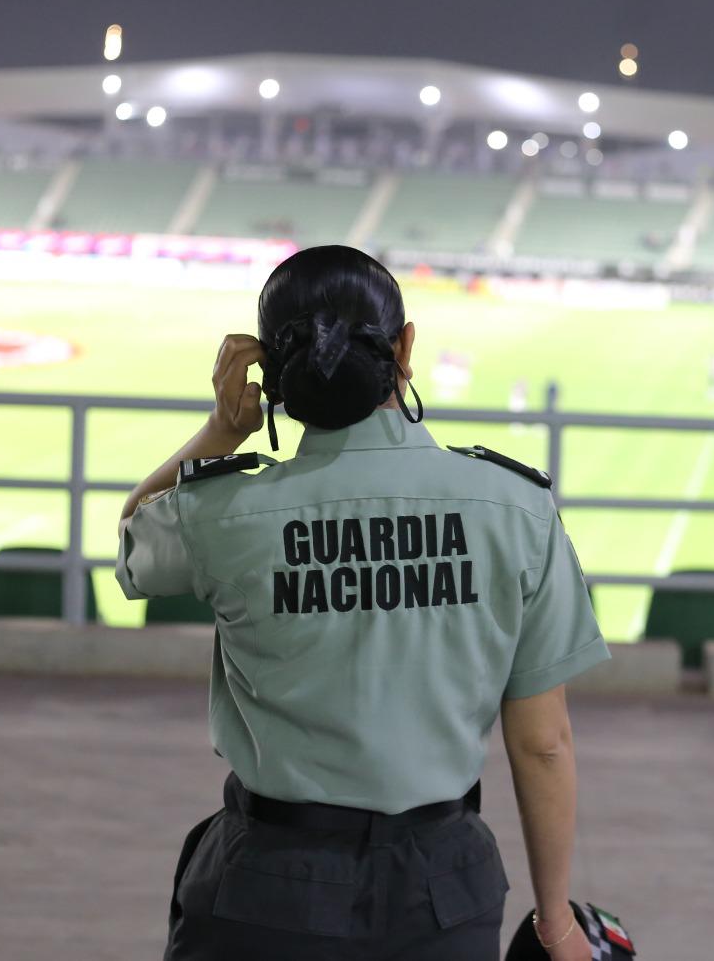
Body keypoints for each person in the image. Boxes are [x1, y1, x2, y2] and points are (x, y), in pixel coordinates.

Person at [117, 246, 609, 961]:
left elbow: (135, 538)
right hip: (444, 887)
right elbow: (543, 742)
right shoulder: (515, 508)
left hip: (265, 883)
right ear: (405, 348)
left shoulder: (221, 513)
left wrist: (222, 430)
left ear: (267, 372)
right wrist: (556, 922)